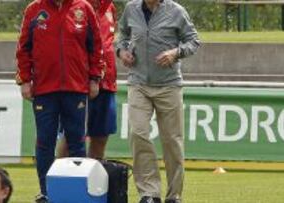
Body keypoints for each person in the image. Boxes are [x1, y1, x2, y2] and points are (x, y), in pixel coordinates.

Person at [15, 0, 104, 202]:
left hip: (76, 88)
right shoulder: (34, 9)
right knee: (44, 142)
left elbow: (96, 46)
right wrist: (24, 80)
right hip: (44, 89)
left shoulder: (84, 8)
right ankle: (46, 192)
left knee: (77, 142)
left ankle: (78, 192)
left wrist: (95, 78)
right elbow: (23, 48)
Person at [117, 0, 200, 202]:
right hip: (138, 84)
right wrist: (122, 52)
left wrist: (175, 53)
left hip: (169, 85)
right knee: (138, 133)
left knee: (172, 141)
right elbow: (122, 37)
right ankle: (149, 193)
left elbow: (193, 41)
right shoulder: (131, 9)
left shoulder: (177, 11)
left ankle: (174, 195)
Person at [56, 0, 117, 159]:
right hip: (80, 83)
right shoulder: (73, 6)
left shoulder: (109, 7)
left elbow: (108, 41)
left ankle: (93, 181)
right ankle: (61, 180)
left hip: (107, 83)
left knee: (101, 137)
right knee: (71, 137)